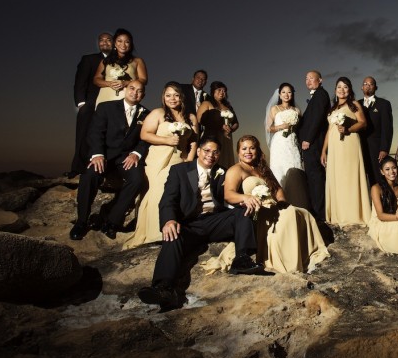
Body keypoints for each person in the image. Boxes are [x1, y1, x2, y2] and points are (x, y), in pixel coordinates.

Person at [137, 137, 263, 311]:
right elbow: (168, 200)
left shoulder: (223, 172)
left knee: (242, 212)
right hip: (189, 225)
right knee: (172, 236)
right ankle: (164, 288)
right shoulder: (179, 170)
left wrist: (246, 199)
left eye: (215, 152)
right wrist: (169, 220)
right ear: (198, 151)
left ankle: (241, 259)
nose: (211, 155)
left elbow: (231, 195)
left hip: (214, 221)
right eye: (207, 151)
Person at [210, 135, 329, 273]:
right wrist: (246, 197)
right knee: (288, 216)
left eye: (252, 148)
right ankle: (289, 264)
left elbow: (277, 189)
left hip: (273, 206)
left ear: (257, 150)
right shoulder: (236, 170)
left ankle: (303, 256)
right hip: (257, 212)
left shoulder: (262, 168)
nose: (248, 152)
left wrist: (282, 201)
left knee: (302, 212)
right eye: (244, 148)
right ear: (238, 152)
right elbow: (229, 195)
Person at [70, 80, 149, 240]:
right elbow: (95, 132)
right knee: (89, 175)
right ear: (125, 89)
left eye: (139, 90)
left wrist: (136, 153)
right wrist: (98, 154)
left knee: (137, 179)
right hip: (105, 154)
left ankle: (112, 221)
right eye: (132, 88)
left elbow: (145, 139)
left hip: (126, 157)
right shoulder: (106, 107)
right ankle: (81, 221)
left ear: (143, 95)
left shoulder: (147, 114)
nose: (135, 92)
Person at [123, 82, 198, 249]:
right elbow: (145, 134)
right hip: (159, 159)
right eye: (168, 95)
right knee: (158, 190)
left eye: (176, 95)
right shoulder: (158, 113)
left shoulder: (191, 117)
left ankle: (178, 228)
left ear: (182, 97)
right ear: (163, 97)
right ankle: (155, 232)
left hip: (180, 159)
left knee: (184, 189)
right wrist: (166, 140)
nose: (172, 99)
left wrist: (189, 160)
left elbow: (194, 141)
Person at [321, 77, 371, 226]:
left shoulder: (354, 104)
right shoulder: (332, 109)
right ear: (335, 90)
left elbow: (363, 123)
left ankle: (353, 214)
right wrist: (324, 150)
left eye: (345, 87)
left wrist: (348, 129)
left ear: (350, 90)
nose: (342, 90)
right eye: (339, 87)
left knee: (349, 176)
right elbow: (329, 130)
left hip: (349, 143)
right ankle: (339, 214)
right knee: (337, 177)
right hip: (334, 147)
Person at [68, 32, 112, 177]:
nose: (104, 42)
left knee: (106, 135)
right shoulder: (89, 59)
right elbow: (80, 81)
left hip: (110, 103)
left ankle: (104, 169)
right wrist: (82, 103)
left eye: (108, 40)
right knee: (83, 134)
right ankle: (78, 169)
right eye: (101, 40)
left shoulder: (119, 62)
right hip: (91, 103)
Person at [265, 83, 307, 207]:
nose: (286, 95)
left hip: (292, 142)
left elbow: (301, 129)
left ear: (292, 94)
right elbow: (269, 128)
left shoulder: (297, 110)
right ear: (279, 94)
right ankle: (280, 201)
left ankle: (296, 200)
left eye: (289, 92)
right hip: (279, 143)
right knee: (279, 169)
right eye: (283, 92)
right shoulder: (275, 109)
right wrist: (281, 126)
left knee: (294, 167)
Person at [298, 70, 330, 221]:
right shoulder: (316, 96)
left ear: (320, 80)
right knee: (312, 177)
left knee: (316, 178)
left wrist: (308, 139)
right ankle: (316, 210)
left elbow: (317, 119)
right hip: (311, 144)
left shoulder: (321, 95)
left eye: (311, 78)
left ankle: (320, 213)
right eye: (306, 78)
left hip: (313, 144)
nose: (308, 81)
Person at [94, 28, 148, 107]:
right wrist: (109, 83)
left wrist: (125, 83)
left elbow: (143, 80)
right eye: (119, 41)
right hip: (105, 97)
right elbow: (96, 79)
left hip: (126, 98)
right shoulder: (105, 61)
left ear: (130, 44)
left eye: (127, 42)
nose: (123, 44)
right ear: (115, 43)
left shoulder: (137, 61)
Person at [197, 81, 239, 169]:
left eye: (224, 91)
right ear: (213, 91)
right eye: (219, 90)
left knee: (225, 160)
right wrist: (220, 126)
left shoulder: (228, 107)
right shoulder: (207, 103)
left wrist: (231, 129)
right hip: (212, 135)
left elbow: (236, 123)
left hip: (226, 138)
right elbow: (200, 119)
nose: (222, 92)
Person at [360, 76, 393, 179]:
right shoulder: (356, 104)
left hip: (376, 149)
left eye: (371, 84)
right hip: (359, 147)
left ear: (376, 87)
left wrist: (384, 148)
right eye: (365, 84)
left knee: (378, 178)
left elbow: (387, 128)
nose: (368, 86)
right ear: (362, 87)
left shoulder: (384, 104)